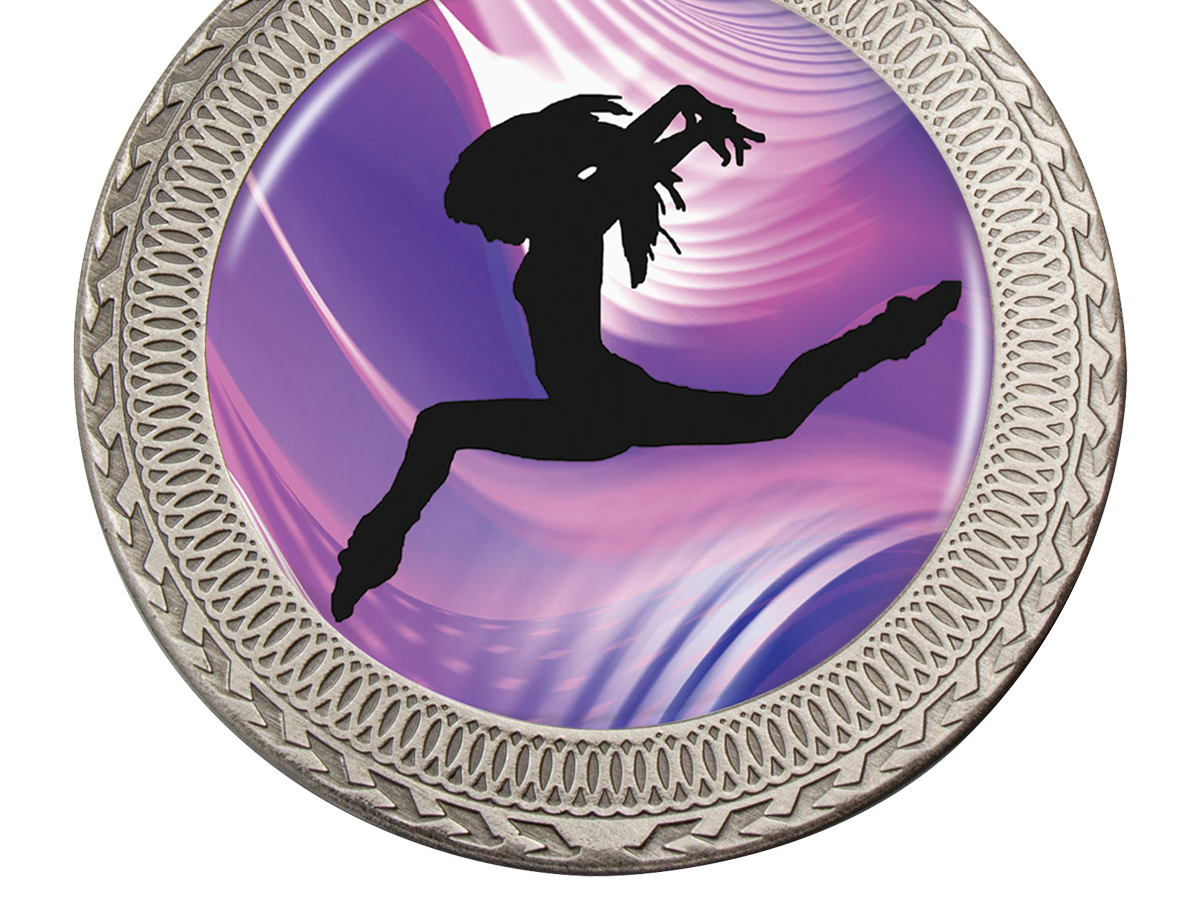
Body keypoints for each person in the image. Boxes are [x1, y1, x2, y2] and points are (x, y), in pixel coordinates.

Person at [331, 85, 960, 621]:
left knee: (775, 414)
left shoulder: (572, 226)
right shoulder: (561, 229)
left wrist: (686, 113)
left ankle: (892, 333)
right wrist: (686, 113)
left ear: (516, 190)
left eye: (487, 217)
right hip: (591, 407)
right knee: (775, 413)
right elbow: (633, 160)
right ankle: (372, 555)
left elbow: (629, 163)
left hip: (601, 407)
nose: (492, 234)